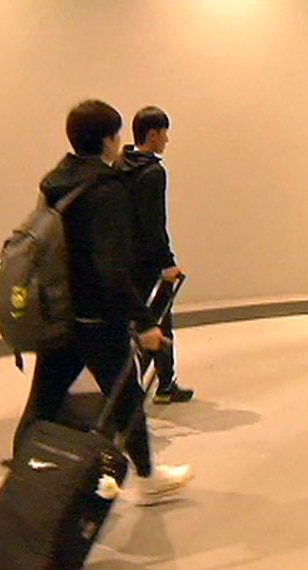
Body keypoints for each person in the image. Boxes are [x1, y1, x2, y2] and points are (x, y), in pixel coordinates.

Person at [12, 100, 193, 505]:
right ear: (109, 139)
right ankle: (147, 477)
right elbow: (110, 265)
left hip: (60, 310)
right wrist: (145, 322)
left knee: (45, 395)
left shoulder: (54, 181)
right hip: (97, 317)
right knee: (126, 394)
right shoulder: (104, 189)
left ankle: (22, 469)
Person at [114, 106, 193, 404]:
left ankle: (128, 384)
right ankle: (164, 384)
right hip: (147, 263)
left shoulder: (119, 165)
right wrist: (168, 263)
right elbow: (154, 225)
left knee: (130, 323)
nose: (167, 140)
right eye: (164, 133)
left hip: (122, 260)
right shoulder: (153, 172)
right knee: (159, 321)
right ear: (152, 134)